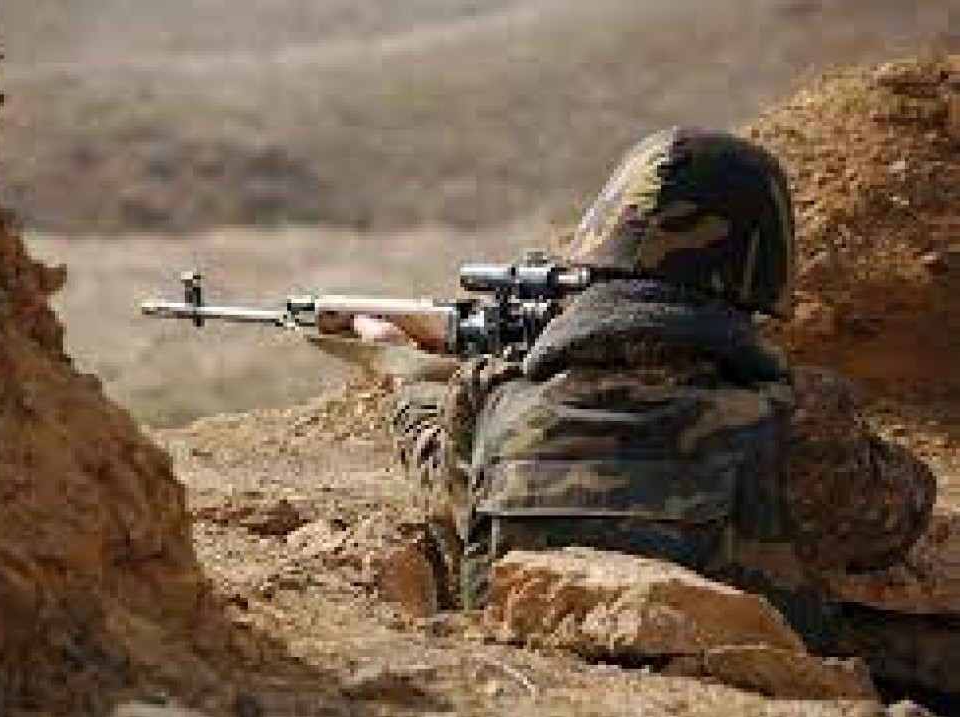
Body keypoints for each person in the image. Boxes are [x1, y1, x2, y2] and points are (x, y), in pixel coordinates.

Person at [355, 128, 936, 652]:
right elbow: (892, 521)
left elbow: (440, 483)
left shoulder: (490, 401)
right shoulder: (796, 418)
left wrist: (404, 370)